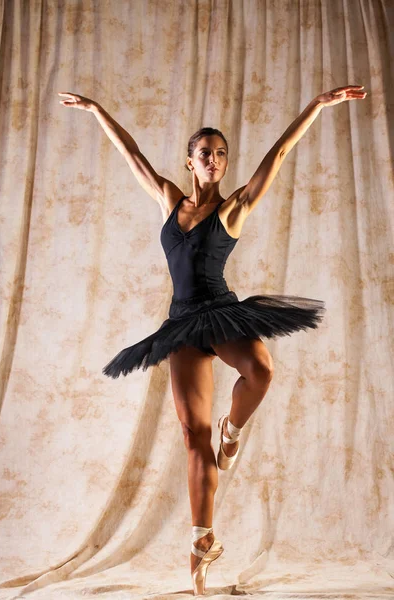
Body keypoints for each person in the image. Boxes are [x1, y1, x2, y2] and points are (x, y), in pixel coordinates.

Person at [58, 84, 366, 595]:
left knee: (261, 370)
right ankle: (202, 545)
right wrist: (96, 111)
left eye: (222, 155)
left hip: (221, 314)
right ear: (190, 161)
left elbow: (280, 154)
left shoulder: (234, 209)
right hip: (180, 325)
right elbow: (131, 154)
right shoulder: (168, 200)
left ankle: (234, 427)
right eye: (207, 153)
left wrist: (315, 105)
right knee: (191, 438)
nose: (216, 161)